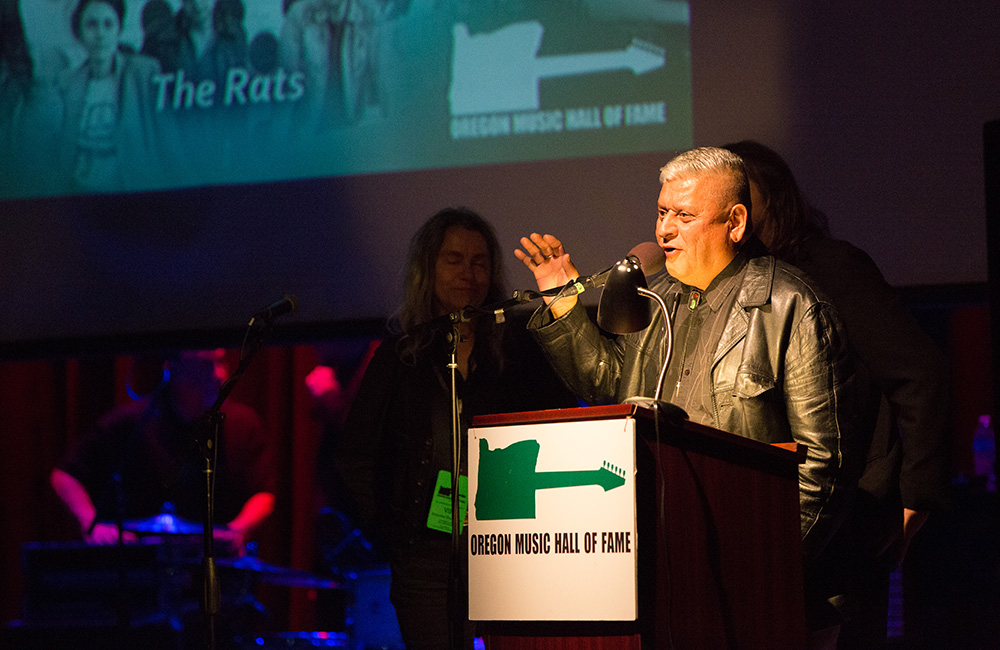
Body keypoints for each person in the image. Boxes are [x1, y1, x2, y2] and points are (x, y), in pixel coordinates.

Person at [515, 146, 875, 647]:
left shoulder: (790, 306)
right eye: (662, 212)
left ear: (735, 222)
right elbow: (609, 385)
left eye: (684, 216)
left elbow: (824, 468)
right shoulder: (655, 299)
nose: (664, 230)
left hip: (768, 592)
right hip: (673, 580)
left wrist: (757, 568)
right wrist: (561, 297)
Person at [722, 139, 952, 649]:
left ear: (768, 198)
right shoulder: (728, 288)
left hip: (847, 520)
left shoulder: (830, 268)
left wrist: (916, 497)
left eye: (737, 196)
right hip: (758, 521)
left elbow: (919, 372)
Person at [333, 207, 577, 650]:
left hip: (508, 549)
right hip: (425, 559)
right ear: (428, 268)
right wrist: (391, 533)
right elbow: (355, 458)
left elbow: (560, 428)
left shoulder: (518, 348)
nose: (468, 272)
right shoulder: (399, 356)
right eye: (454, 260)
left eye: (479, 262)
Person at [50, 349, 276, 553]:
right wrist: (92, 524)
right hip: (141, 567)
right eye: (205, 365)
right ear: (174, 366)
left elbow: (263, 492)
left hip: (216, 568)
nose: (219, 374)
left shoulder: (242, 424)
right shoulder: (134, 421)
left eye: (220, 362)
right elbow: (65, 476)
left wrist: (238, 529)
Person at [56, 0, 175, 193]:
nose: (100, 34)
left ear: (119, 30)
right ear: (80, 33)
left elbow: (166, 140)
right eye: (91, 25)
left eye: (108, 24)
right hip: (78, 195)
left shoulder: (144, 73)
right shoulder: (66, 83)